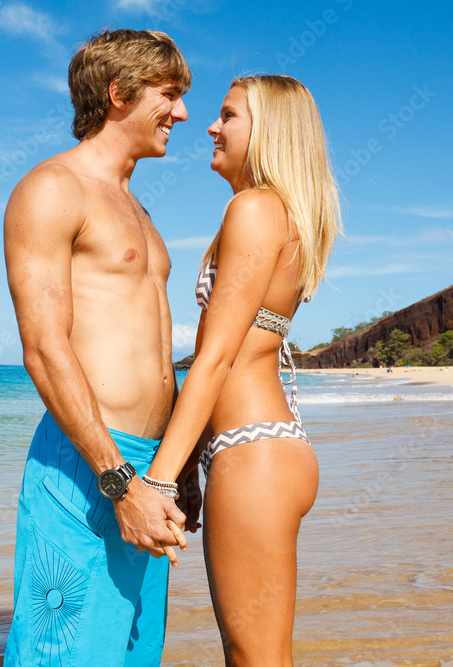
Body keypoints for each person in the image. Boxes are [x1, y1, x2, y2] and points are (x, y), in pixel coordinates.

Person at [2, 29, 194, 664]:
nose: (183, 113)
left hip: (150, 467)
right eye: (169, 95)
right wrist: (119, 482)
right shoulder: (53, 189)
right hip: (91, 463)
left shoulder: (138, 209)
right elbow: (43, 347)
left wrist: (174, 469)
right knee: (66, 654)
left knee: (134, 653)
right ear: (119, 94)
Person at [144, 75, 341, 664]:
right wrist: (193, 472)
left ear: (268, 132)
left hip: (252, 451)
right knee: (254, 653)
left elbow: (216, 358)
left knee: (254, 656)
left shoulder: (255, 210)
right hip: (261, 447)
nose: (209, 125)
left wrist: (160, 477)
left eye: (228, 116)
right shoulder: (283, 214)